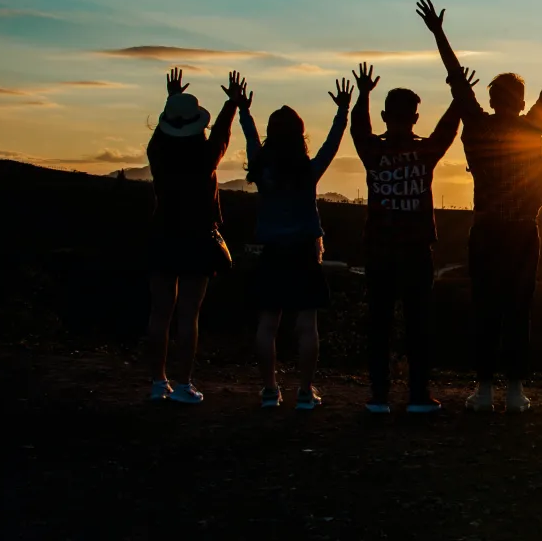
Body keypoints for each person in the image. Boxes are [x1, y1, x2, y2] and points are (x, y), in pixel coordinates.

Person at [417, 0, 542, 413]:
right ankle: (514, 389)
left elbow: (456, 80)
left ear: (494, 98)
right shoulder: (532, 126)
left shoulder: (478, 126)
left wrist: (438, 33)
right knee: (518, 309)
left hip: (486, 230)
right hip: (520, 232)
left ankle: (484, 388)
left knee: (485, 308)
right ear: (519, 100)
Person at [349, 62, 478, 415]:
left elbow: (358, 128)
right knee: (418, 324)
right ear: (415, 117)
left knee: (379, 324)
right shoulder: (425, 151)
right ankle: (418, 395)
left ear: (386, 114)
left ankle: (378, 396)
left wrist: (362, 94)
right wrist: (458, 96)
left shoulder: (373, 151)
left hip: (378, 249)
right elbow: (448, 130)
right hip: (416, 251)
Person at [239, 78, 353, 410]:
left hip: (272, 253)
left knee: (268, 323)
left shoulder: (262, 168)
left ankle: (270, 390)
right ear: (300, 136)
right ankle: (305, 391)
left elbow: (249, 138)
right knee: (306, 325)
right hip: (304, 252)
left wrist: (244, 110)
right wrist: (342, 111)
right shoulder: (307, 171)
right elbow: (332, 144)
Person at [144, 68, 244, 404]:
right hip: (198, 238)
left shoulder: (157, 152)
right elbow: (223, 136)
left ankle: (158, 382)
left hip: (162, 233)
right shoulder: (205, 157)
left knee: (160, 313)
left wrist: (171, 99)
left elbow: (165, 132)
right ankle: (184, 383)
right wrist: (232, 103)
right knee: (189, 313)